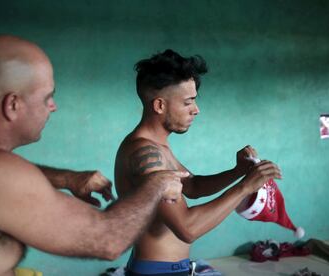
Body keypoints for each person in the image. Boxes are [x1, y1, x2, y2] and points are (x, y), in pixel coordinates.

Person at [0, 35, 186, 276]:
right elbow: (108, 239)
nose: (53, 106)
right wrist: (157, 185)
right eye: (47, 97)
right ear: (13, 105)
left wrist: (65, 178)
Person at [115, 49, 282, 276]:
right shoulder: (144, 153)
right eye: (188, 102)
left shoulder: (156, 147)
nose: (196, 109)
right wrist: (245, 187)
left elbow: (192, 186)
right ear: (159, 106)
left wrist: (238, 171)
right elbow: (187, 228)